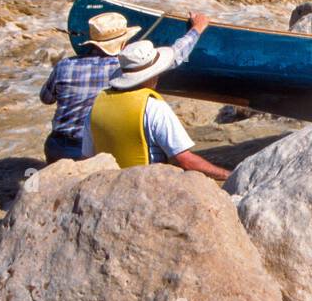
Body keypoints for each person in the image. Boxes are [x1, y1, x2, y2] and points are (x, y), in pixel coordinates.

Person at [39, 11, 208, 163]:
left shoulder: (64, 65)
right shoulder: (124, 70)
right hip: (93, 151)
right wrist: (197, 29)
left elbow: (46, 99)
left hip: (56, 147)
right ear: (122, 43)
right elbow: (176, 55)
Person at [83, 39, 230, 181]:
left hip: (107, 187)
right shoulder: (154, 107)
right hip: (145, 186)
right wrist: (226, 174)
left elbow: (87, 158)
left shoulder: (97, 105)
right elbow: (184, 160)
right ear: (151, 75)